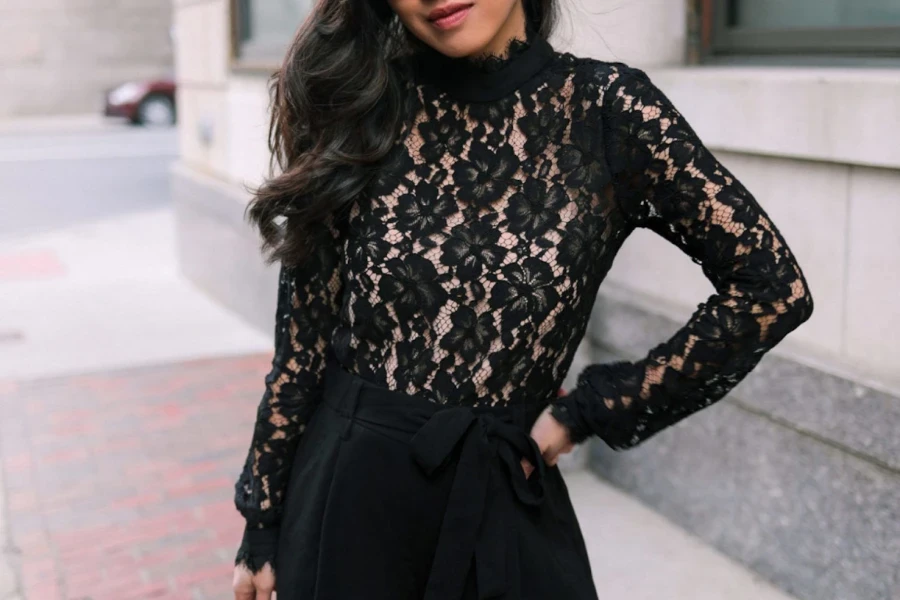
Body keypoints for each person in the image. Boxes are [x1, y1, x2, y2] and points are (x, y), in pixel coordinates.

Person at [231, 0, 815, 598]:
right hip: (349, 502)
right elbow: (301, 351)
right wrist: (263, 522)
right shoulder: (364, 107)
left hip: (505, 495)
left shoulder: (608, 110)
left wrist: (589, 410)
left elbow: (771, 288)